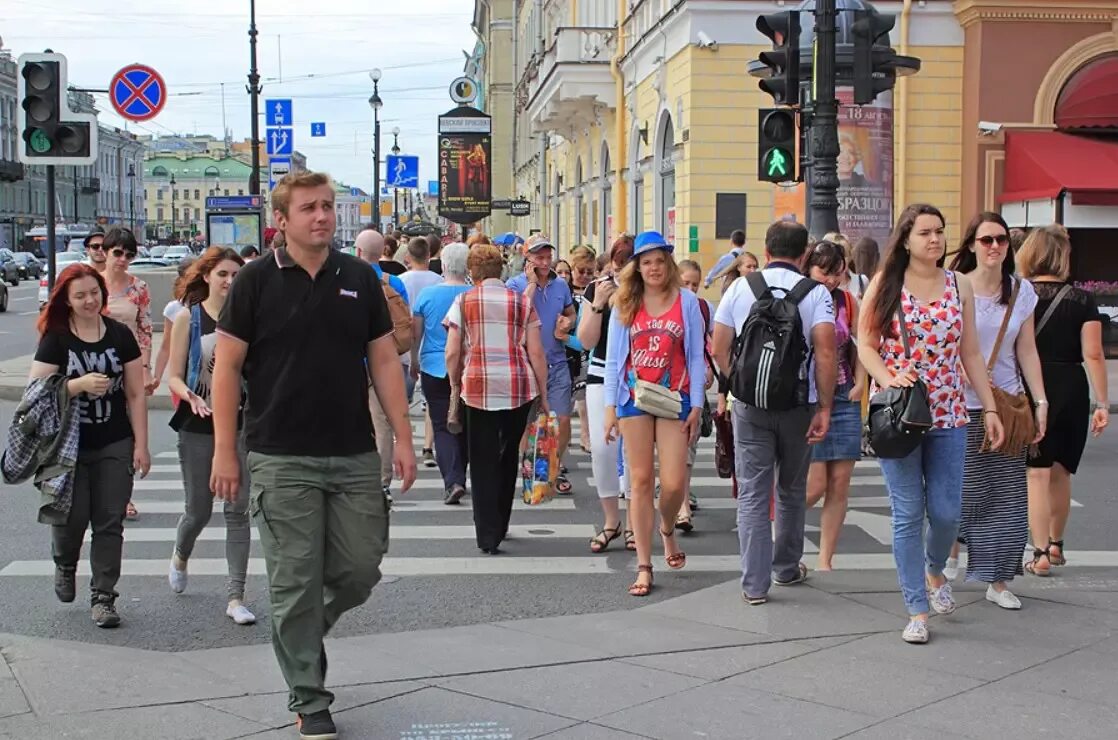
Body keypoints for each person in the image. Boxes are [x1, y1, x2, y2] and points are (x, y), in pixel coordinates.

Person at [211, 171, 416, 738]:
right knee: (293, 581)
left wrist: (401, 436)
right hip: (279, 455)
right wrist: (225, 451)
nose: (322, 216)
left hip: (351, 450)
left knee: (359, 569)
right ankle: (309, 694)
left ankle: (298, 628)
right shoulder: (253, 281)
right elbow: (226, 369)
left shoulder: (358, 276)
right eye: (309, 208)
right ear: (283, 219)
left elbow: (381, 362)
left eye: (327, 206)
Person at [857, 203, 1004, 644]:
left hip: (950, 412)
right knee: (907, 513)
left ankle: (934, 569)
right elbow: (865, 344)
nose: (935, 239)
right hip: (900, 415)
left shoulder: (958, 283)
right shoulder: (886, 283)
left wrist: (991, 407)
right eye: (925, 232)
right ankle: (916, 608)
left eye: (940, 231)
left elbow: (971, 352)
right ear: (906, 239)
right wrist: (887, 376)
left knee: (946, 512)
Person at [712, 221, 836, 607]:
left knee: (752, 492)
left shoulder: (739, 287)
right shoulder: (816, 294)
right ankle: (785, 567)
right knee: (791, 488)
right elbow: (827, 353)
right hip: (799, 404)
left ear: (765, 252)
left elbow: (718, 347)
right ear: (804, 256)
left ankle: (754, 584)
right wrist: (825, 406)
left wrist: (740, 384)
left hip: (750, 406)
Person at [30, 264, 151, 628]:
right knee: (72, 518)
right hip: (68, 448)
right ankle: (65, 563)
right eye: (80, 295)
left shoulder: (118, 335)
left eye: (94, 292)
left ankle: (103, 598)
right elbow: (35, 392)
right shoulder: (56, 338)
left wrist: (140, 445)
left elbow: (135, 393)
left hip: (114, 440)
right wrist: (76, 385)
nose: (89, 300)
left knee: (109, 521)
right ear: (66, 300)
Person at [947, 213, 1047, 608]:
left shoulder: (1021, 292)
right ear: (972, 244)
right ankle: (948, 552)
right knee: (959, 489)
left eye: (1002, 240)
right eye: (986, 240)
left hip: (1006, 404)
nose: (994, 247)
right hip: (959, 404)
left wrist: (1040, 402)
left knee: (1006, 495)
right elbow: (946, 345)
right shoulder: (955, 287)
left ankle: (998, 579)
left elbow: (1027, 350)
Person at [604, 231, 707, 596]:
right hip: (634, 397)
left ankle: (666, 528)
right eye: (646, 262)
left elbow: (696, 355)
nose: (653, 268)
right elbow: (615, 359)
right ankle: (644, 565)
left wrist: (697, 404)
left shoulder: (688, 302)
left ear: (669, 264)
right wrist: (610, 409)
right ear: (637, 267)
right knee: (640, 480)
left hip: (674, 397)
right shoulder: (625, 303)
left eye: (659, 261)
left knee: (675, 483)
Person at [165, 247, 256, 625]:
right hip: (198, 423)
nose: (229, 281)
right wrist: (188, 395)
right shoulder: (190, 317)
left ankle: (236, 598)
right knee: (199, 510)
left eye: (236, 274)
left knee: (237, 511)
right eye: (223, 273)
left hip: (242, 424)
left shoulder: (251, 319)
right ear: (207, 276)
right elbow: (173, 373)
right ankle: (181, 553)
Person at [444, 244, 549, 554]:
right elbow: (537, 352)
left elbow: (452, 352)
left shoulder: (463, 301)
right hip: (518, 387)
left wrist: (454, 383)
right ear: (500, 271)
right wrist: (542, 394)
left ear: (472, 272)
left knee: (482, 459)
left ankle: (487, 534)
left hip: (477, 388)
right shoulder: (521, 302)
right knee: (507, 458)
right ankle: (502, 522)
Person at [1017, 224, 1108, 576]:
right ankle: (1056, 545)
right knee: (1061, 471)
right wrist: (1101, 403)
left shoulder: (1020, 295)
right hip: (1071, 385)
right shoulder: (1082, 300)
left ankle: (1038, 552)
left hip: (1033, 384)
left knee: (1035, 474)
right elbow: (1094, 354)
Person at [802, 241, 865, 571]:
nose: (830, 280)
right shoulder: (800, 299)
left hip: (844, 394)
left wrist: (860, 381)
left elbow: (863, 342)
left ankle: (825, 561)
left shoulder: (848, 302)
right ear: (809, 268)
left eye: (836, 273)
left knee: (840, 482)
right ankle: (782, 530)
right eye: (823, 272)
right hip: (810, 397)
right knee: (815, 485)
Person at [505, 235, 578, 494]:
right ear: (528, 259)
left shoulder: (561, 286)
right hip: (525, 362)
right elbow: (517, 314)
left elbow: (571, 312)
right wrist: (533, 285)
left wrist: (568, 322)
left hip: (556, 361)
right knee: (528, 421)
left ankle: (554, 467)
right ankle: (530, 469)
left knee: (563, 419)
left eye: (548, 257)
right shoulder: (514, 284)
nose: (545, 262)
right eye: (539, 257)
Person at [578, 235, 635, 553]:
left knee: (633, 454)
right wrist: (599, 303)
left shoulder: (644, 291)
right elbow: (586, 341)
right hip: (600, 374)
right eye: (618, 262)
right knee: (602, 449)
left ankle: (631, 523)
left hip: (637, 376)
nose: (622, 269)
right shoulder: (596, 288)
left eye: (628, 262)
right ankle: (611, 521)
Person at [412, 243, 472, 504]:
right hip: (469, 368)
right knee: (466, 424)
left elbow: (416, 334)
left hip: (434, 366)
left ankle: (453, 480)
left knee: (441, 425)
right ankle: (461, 474)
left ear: (443, 266)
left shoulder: (427, 295)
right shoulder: (474, 294)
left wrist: (414, 360)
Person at [100, 227, 152, 522]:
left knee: (130, 431)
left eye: (129, 254)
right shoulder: (93, 285)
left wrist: (146, 369)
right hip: (96, 363)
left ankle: (124, 495)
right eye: (117, 253)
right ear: (105, 252)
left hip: (128, 364)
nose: (122, 259)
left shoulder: (139, 288)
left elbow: (145, 331)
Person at [355, 228, 410, 501]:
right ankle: (381, 481)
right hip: (385, 361)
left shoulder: (349, 279)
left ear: (357, 252)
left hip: (351, 361)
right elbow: (405, 322)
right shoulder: (395, 283)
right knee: (382, 423)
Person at [676, 259, 715, 532]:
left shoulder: (703, 307)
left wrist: (711, 367)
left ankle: (683, 505)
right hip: (664, 385)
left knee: (688, 447)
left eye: (695, 284)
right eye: (685, 283)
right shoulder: (665, 305)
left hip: (692, 384)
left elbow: (712, 342)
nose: (690, 288)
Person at [566, 247, 596, 453]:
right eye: (581, 271)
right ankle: (564, 438)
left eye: (589, 272)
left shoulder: (593, 291)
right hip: (568, 351)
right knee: (567, 401)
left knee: (585, 398)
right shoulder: (565, 291)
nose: (585, 276)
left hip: (587, 352)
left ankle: (586, 437)